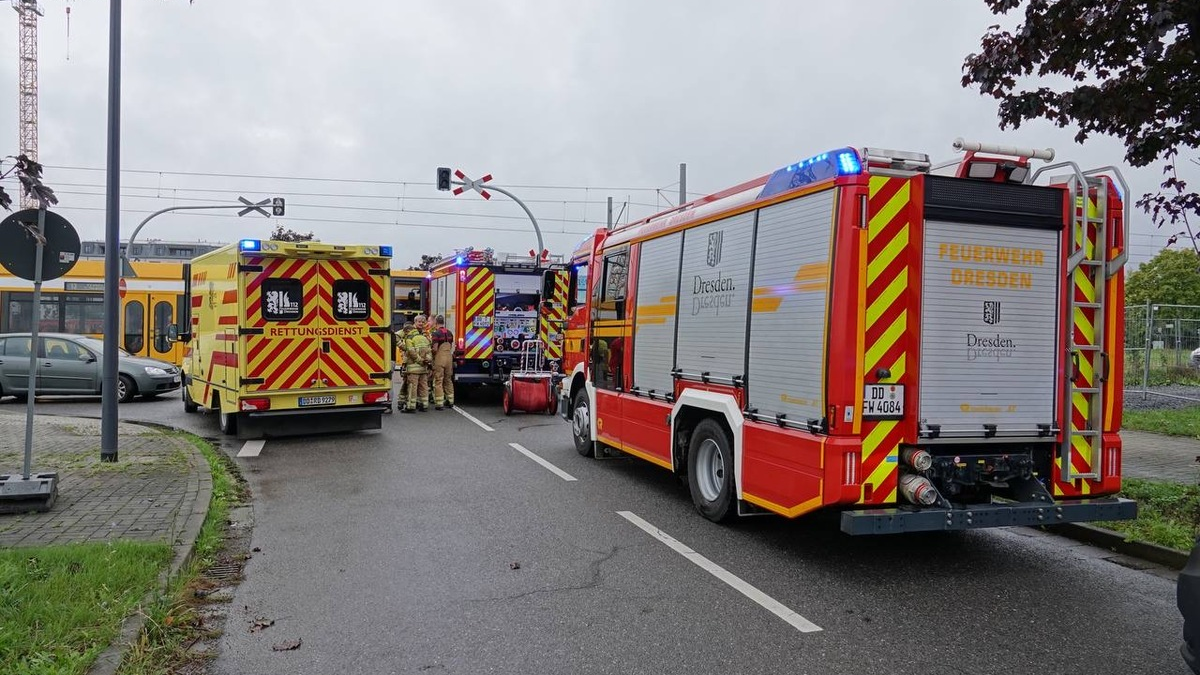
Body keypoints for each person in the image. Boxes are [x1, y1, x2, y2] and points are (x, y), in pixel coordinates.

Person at [402, 319, 433, 413]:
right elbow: (429, 351)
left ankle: (411, 407)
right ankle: (424, 405)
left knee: (412, 387)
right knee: (423, 386)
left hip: (413, 368)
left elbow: (411, 352)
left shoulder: (409, 338)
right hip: (424, 368)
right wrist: (427, 360)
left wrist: (420, 360)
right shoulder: (425, 338)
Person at [430, 314, 455, 409]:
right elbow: (450, 346)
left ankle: (439, 403)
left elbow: (435, 349)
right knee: (448, 379)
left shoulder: (436, 334)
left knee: (438, 380)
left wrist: (430, 353)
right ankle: (450, 401)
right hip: (449, 358)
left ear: (436, 322)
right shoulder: (449, 333)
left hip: (440, 359)